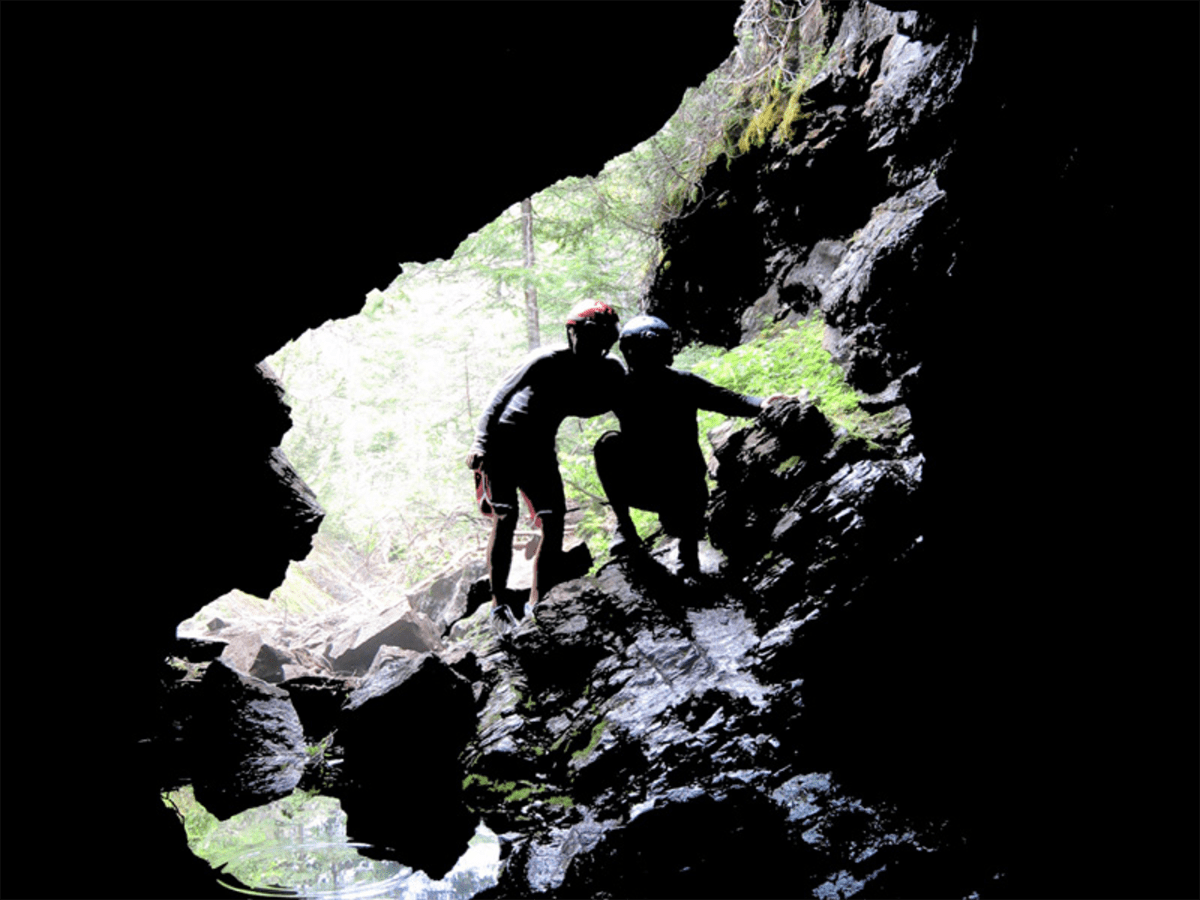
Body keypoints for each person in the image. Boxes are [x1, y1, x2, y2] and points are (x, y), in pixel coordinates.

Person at [594, 314, 788, 580]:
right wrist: (759, 403)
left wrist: (761, 403)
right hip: (665, 489)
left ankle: (683, 550)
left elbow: (728, 400)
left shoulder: (672, 384)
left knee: (609, 444)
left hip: (678, 492)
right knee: (608, 444)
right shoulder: (629, 387)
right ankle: (629, 530)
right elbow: (729, 400)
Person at [467, 299, 624, 627]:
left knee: (554, 521)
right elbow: (498, 398)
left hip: (539, 450)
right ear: (572, 333)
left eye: (603, 339)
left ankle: (538, 603)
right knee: (505, 519)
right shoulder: (546, 359)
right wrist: (480, 444)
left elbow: (604, 403)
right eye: (590, 336)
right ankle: (499, 607)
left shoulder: (607, 369)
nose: (596, 345)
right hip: (504, 443)